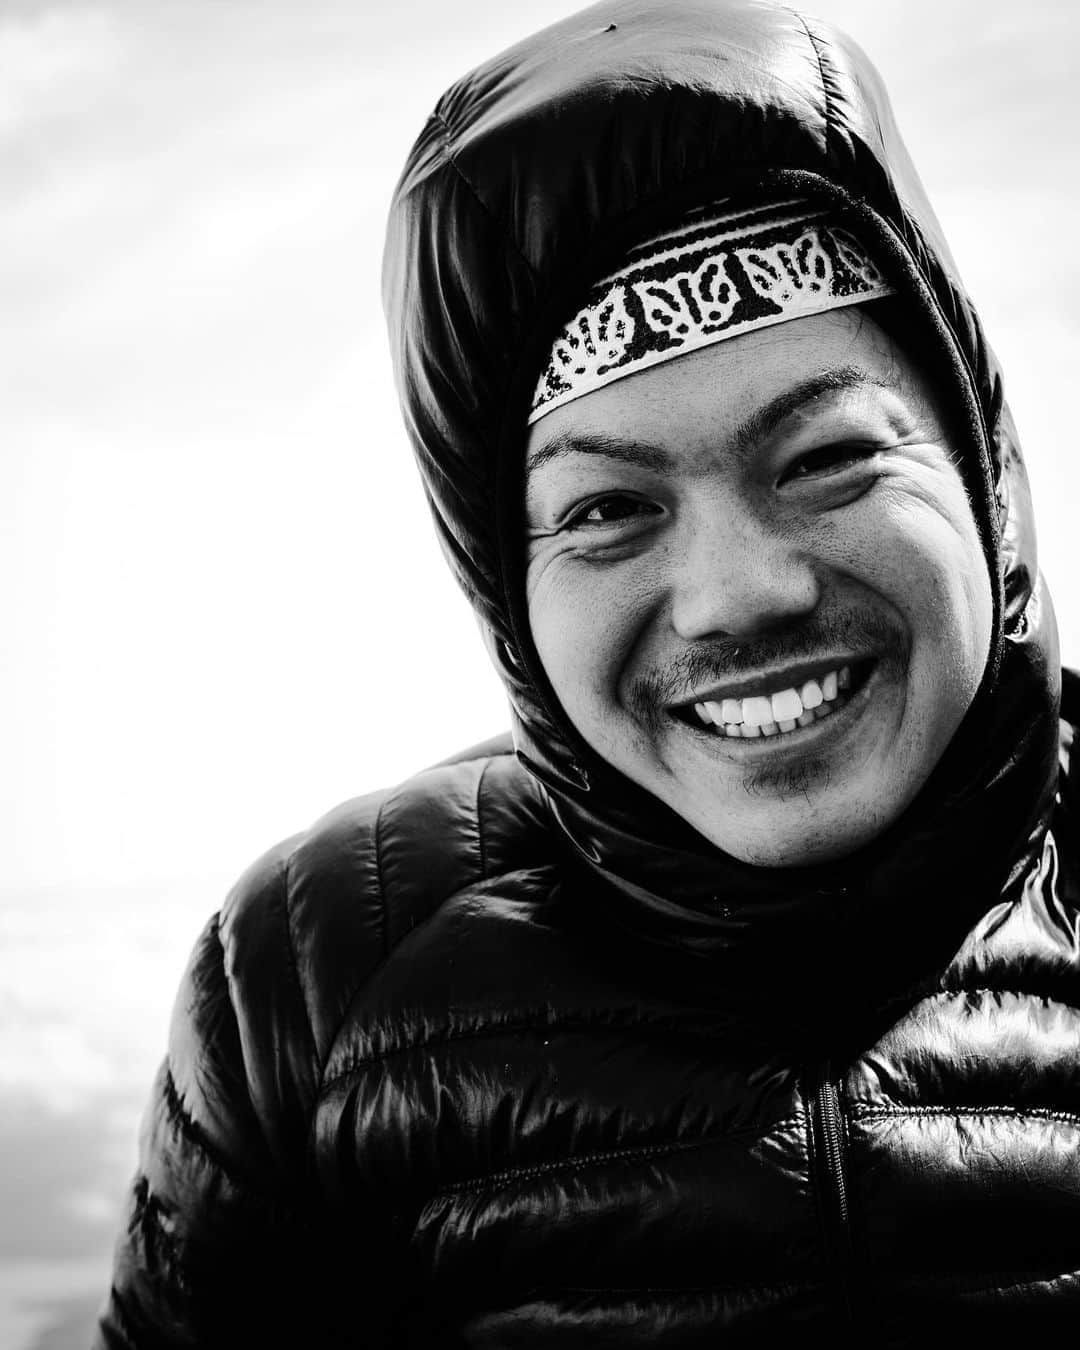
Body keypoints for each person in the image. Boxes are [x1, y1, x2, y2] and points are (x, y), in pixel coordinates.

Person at [95, 0, 1080, 1343]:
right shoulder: (314, 983)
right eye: (610, 509)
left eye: (829, 457)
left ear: (977, 460)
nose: (739, 592)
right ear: (503, 579)